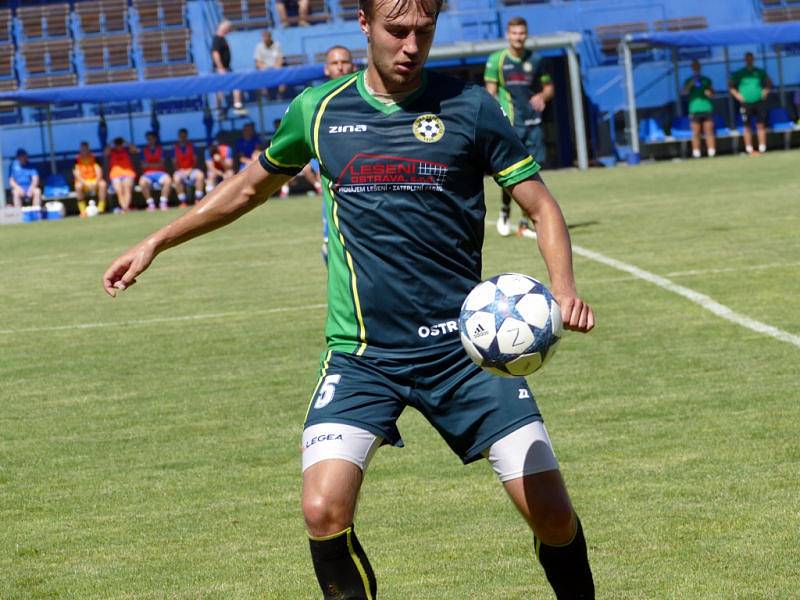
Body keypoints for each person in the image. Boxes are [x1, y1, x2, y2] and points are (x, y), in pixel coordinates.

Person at [102, 1, 596, 598]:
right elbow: (246, 191)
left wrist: (563, 288)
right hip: (363, 357)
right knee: (322, 511)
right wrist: (156, 240)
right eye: (396, 30)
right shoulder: (319, 109)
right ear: (364, 25)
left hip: (468, 353)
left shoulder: (471, 107)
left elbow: (541, 206)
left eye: (423, 31)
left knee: (552, 516)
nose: (411, 45)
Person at [485, 16, 554, 239]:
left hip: (533, 123)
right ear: (508, 35)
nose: (518, 37)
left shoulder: (536, 60)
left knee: (533, 172)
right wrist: (495, 119)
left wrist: (543, 96)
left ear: (526, 34)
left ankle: (524, 221)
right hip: (511, 124)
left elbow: (549, 88)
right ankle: (505, 210)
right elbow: (490, 93)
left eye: (522, 33)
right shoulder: (497, 60)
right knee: (512, 172)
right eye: (514, 33)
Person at [729, 52, 772, 155]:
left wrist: (765, 91)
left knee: (760, 124)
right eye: (747, 58)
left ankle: (762, 147)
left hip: (758, 101)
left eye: (751, 58)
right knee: (747, 126)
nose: (749, 60)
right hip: (745, 103)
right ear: (745, 60)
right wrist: (737, 95)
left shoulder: (759, 72)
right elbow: (730, 85)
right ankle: (749, 148)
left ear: (753, 59)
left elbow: (769, 82)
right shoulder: (740, 73)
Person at [682, 60, 716, 159]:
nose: (696, 67)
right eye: (694, 66)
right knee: (695, 132)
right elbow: (684, 92)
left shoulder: (706, 80)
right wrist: (691, 83)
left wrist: (709, 93)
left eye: (697, 66)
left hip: (706, 108)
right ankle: (696, 152)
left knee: (709, 130)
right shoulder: (688, 80)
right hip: (694, 109)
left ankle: (711, 151)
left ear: (700, 67)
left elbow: (712, 94)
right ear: (692, 67)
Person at [211, 20, 246, 116]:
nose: (229, 31)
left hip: (227, 68)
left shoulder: (222, 38)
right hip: (222, 69)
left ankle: (237, 105)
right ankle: (219, 109)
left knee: (235, 84)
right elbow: (215, 53)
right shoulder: (217, 38)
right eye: (229, 29)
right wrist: (220, 67)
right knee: (220, 89)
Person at [138, 131, 172, 211]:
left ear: (155, 139)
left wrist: (149, 164)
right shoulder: (144, 150)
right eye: (148, 139)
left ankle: (163, 202)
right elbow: (143, 165)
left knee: (168, 180)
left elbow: (161, 163)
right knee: (142, 182)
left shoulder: (160, 149)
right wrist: (154, 164)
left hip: (160, 173)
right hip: (148, 174)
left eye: (151, 138)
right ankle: (150, 203)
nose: (150, 140)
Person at [172, 128, 205, 208]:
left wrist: (190, 169)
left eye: (184, 136)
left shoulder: (192, 146)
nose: (182, 137)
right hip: (180, 171)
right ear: (178, 136)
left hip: (192, 169)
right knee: (176, 178)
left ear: (187, 136)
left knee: (200, 175)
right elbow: (174, 162)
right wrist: (180, 170)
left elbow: (195, 160)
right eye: (181, 136)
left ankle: (198, 199)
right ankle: (183, 201)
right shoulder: (175, 147)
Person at [74, 141, 108, 216]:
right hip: (83, 182)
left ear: (88, 149)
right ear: (80, 149)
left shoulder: (94, 158)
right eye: (83, 149)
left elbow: (99, 171)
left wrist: (96, 181)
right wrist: (85, 183)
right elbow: (76, 174)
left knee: (103, 184)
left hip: (94, 180)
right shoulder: (77, 160)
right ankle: (83, 211)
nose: (84, 150)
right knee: (77, 186)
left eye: (86, 149)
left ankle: (100, 209)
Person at [104, 137, 136, 213]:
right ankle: (124, 208)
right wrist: (111, 142)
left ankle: (125, 207)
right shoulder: (112, 152)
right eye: (117, 144)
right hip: (115, 175)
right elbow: (105, 152)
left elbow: (134, 149)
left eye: (120, 144)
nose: (119, 146)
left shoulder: (127, 151)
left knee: (127, 187)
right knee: (119, 190)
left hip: (128, 173)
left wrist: (125, 141)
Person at [254, 29, 286, 99]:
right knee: (261, 73)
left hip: (276, 67)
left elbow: (280, 59)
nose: (265, 38)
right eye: (263, 37)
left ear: (270, 37)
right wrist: (265, 68)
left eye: (266, 37)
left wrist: (275, 67)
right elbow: (258, 62)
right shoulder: (259, 47)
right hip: (264, 68)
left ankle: (281, 94)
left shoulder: (277, 44)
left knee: (281, 72)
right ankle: (266, 95)